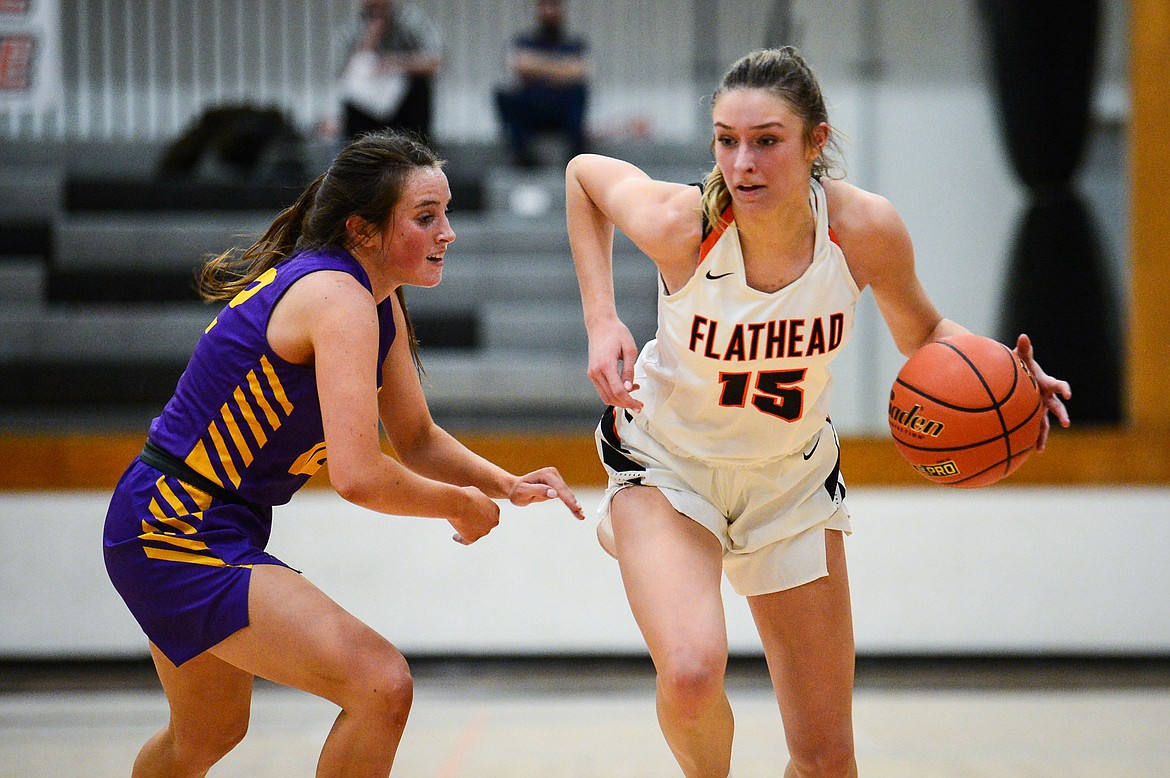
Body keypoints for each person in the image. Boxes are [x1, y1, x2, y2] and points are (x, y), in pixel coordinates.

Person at [565, 47, 1071, 778]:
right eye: (726, 140)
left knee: (828, 760)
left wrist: (1010, 373)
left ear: (815, 142)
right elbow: (585, 177)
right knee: (691, 673)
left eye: (766, 140)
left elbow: (923, 333)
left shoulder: (862, 230)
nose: (742, 163)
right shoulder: (681, 225)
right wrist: (601, 317)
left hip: (790, 482)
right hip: (669, 467)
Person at [104, 129, 584, 777]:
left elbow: (416, 439)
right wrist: (457, 505)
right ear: (362, 230)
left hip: (188, 519)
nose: (448, 232)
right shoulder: (338, 298)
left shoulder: (377, 301)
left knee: (205, 736)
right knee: (380, 684)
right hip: (172, 525)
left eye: (446, 212)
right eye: (425, 217)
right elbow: (358, 476)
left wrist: (502, 484)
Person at [494, 0, 590, 168]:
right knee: (504, 95)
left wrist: (537, 67)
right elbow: (519, 65)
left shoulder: (574, 43)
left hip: (562, 111)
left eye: (553, 6)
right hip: (532, 109)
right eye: (544, 6)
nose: (549, 11)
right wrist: (560, 69)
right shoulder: (523, 40)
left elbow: (579, 71)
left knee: (579, 92)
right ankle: (522, 156)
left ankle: (576, 157)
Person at [336, 0, 442, 143]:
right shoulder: (353, 27)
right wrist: (370, 39)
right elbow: (344, 74)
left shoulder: (409, 21)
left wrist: (395, 64)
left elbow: (435, 61)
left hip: (408, 106)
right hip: (366, 108)